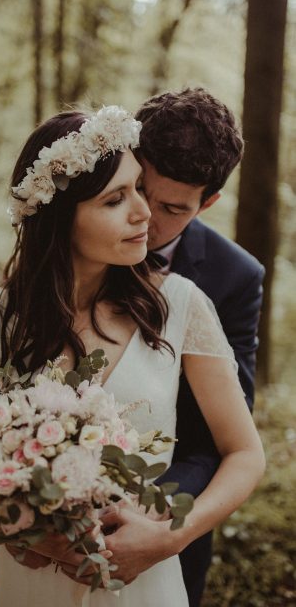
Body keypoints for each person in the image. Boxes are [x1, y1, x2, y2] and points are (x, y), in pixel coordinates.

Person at [0, 105, 265, 607]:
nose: (143, 214)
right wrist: (15, 528)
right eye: (117, 199)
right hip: (30, 581)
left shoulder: (181, 306)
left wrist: (171, 536)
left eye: (139, 188)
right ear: (62, 215)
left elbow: (245, 453)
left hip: (145, 576)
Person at [133, 88, 266, 606]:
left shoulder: (235, 278)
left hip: (166, 528)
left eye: (170, 208)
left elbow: (220, 437)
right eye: (138, 187)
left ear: (207, 202)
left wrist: (155, 513)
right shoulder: (65, 231)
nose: (143, 216)